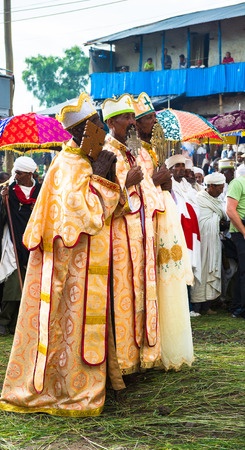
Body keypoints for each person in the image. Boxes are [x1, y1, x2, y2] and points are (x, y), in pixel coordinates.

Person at [0, 93, 124, 417]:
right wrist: (99, 175)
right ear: (83, 130)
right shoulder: (67, 166)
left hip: (89, 266)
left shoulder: (88, 160)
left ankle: (93, 382)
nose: (101, 131)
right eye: (96, 125)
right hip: (67, 272)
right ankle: (67, 389)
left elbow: (113, 209)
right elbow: (83, 216)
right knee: (66, 329)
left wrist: (104, 176)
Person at [101, 93, 161, 375]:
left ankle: (142, 357)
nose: (132, 122)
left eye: (134, 117)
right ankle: (122, 363)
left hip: (142, 237)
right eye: (127, 118)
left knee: (143, 295)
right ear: (112, 122)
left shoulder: (132, 148)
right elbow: (100, 203)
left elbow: (148, 183)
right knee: (123, 298)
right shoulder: (106, 153)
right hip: (119, 240)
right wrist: (126, 183)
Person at [133, 92, 194, 370]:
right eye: (146, 118)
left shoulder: (151, 149)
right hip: (146, 224)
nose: (152, 121)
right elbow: (134, 188)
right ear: (134, 123)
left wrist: (164, 186)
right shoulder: (131, 149)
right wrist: (156, 183)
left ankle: (169, 347)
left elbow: (155, 183)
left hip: (163, 216)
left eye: (152, 116)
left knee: (169, 283)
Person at [0, 156, 41, 336]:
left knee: (34, 285)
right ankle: (5, 321)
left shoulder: (42, 191)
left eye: (19, 173)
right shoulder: (9, 191)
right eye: (15, 173)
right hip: (12, 244)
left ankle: (24, 322)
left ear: (30, 174)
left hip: (35, 244)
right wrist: (3, 204)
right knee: (13, 284)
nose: (16, 176)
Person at [191, 173, 227, 315]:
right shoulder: (200, 199)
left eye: (223, 188)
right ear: (210, 186)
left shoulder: (216, 201)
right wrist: (217, 221)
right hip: (202, 243)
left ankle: (207, 306)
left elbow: (219, 217)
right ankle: (197, 306)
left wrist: (217, 221)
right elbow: (200, 221)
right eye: (219, 188)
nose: (221, 191)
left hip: (213, 242)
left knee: (212, 269)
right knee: (201, 270)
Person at [166, 154, 201, 285]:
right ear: (171, 169)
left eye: (182, 165)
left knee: (189, 265)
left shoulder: (187, 186)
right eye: (177, 166)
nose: (181, 168)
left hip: (191, 230)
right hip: (176, 229)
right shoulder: (169, 186)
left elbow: (195, 206)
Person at [226, 170, 245, 319]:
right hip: (240, 229)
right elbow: (230, 210)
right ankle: (241, 308)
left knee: (243, 270)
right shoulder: (238, 183)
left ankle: (238, 306)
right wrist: (244, 231)